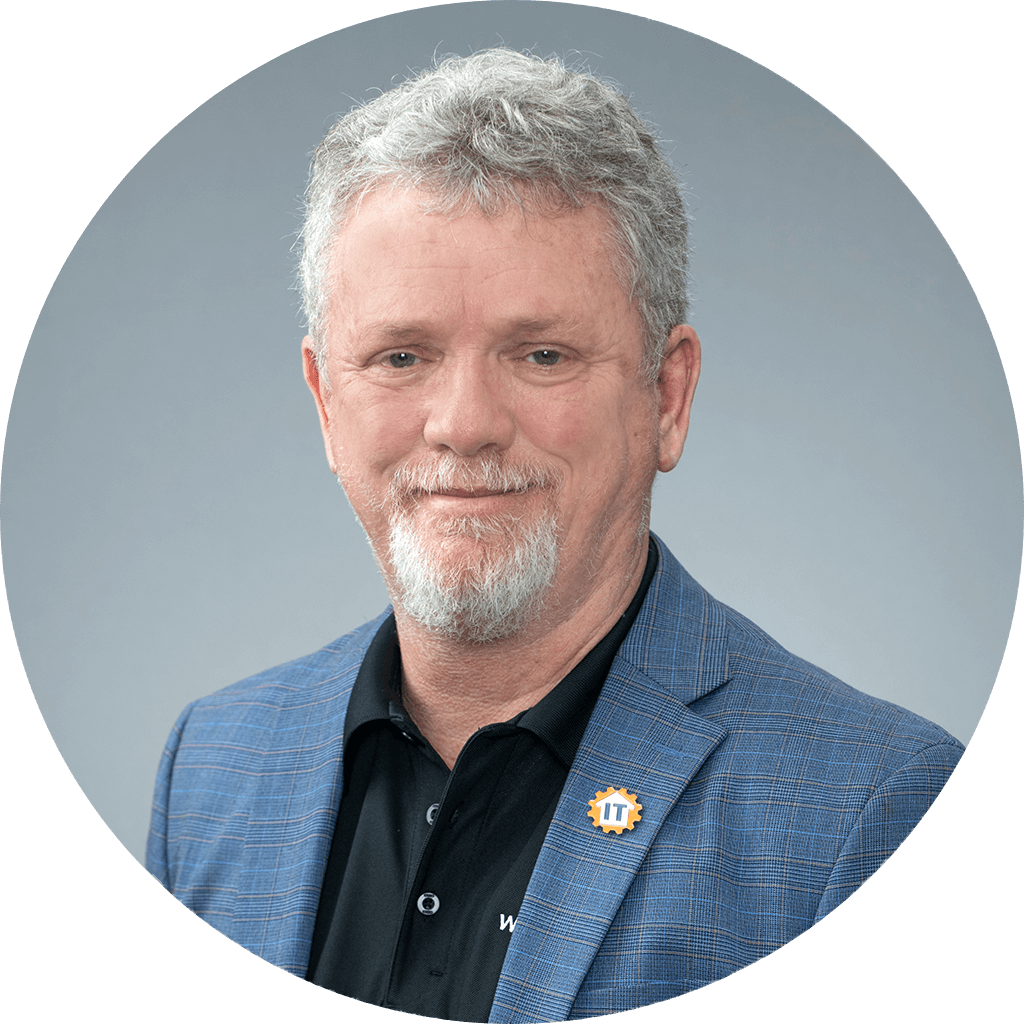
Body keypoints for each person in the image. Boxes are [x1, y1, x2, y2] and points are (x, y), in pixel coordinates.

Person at [146, 49, 964, 1020]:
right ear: (326, 402)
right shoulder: (212, 766)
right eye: (400, 355)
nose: (463, 422)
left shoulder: (864, 811)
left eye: (541, 354)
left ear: (666, 395)